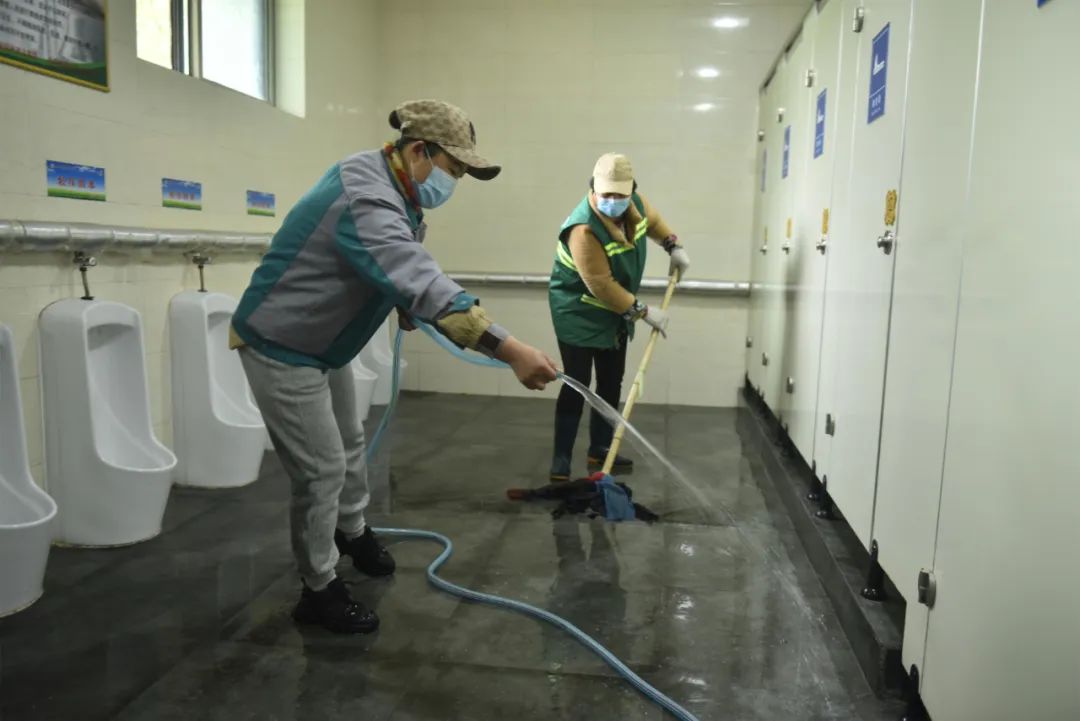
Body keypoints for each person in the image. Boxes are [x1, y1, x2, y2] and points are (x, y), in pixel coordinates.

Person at [231, 100, 559, 634]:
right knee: (320, 470)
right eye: (454, 169)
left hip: (324, 342)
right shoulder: (367, 195)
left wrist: (402, 300)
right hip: (283, 341)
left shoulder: (392, 186)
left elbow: (385, 268)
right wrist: (509, 349)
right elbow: (414, 273)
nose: (455, 182)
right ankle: (318, 589)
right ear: (419, 151)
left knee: (349, 442)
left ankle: (352, 530)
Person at [547, 153, 690, 481]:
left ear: (631, 191)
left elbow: (653, 221)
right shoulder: (583, 228)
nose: (612, 201)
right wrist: (643, 312)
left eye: (619, 195)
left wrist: (673, 245)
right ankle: (561, 458)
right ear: (593, 188)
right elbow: (600, 284)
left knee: (611, 380)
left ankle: (600, 449)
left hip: (615, 310)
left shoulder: (634, 204)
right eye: (605, 194)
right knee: (578, 382)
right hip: (578, 310)